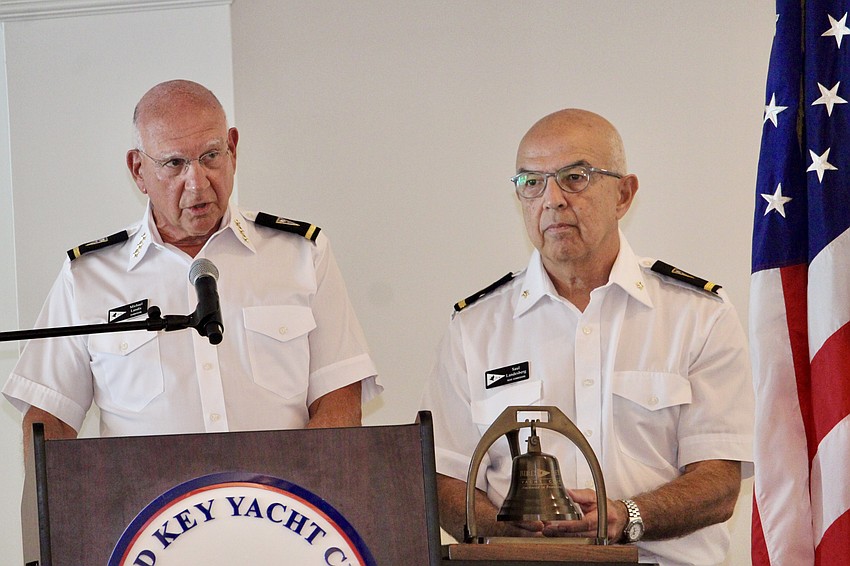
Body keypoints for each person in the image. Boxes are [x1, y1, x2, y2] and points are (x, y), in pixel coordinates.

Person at [420, 109, 753, 565]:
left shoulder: (696, 315)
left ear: (623, 194)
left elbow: (719, 482)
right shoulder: (475, 329)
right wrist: (521, 532)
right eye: (531, 183)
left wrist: (624, 516)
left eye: (574, 177)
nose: (551, 199)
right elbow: (444, 479)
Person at [3, 79, 381, 444]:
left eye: (210, 156)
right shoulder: (89, 277)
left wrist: (294, 491)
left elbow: (339, 398)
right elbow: (48, 416)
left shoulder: (300, 255)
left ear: (233, 148)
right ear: (139, 170)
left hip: (275, 506)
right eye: (174, 164)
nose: (197, 182)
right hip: (148, 509)